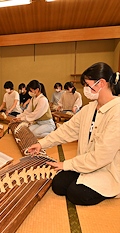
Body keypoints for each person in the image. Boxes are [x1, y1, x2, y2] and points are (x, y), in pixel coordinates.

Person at [28, 62, 120, 206]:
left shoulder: (117, 112)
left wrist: (66, 164)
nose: (85, 89)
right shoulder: (89, 109)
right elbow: (66, 131)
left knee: (76, 193)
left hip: (106, 170)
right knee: (58, 185)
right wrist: (41, 144)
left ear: (101, 83)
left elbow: (102, 156)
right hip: (86, 164)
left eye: (87, 85)